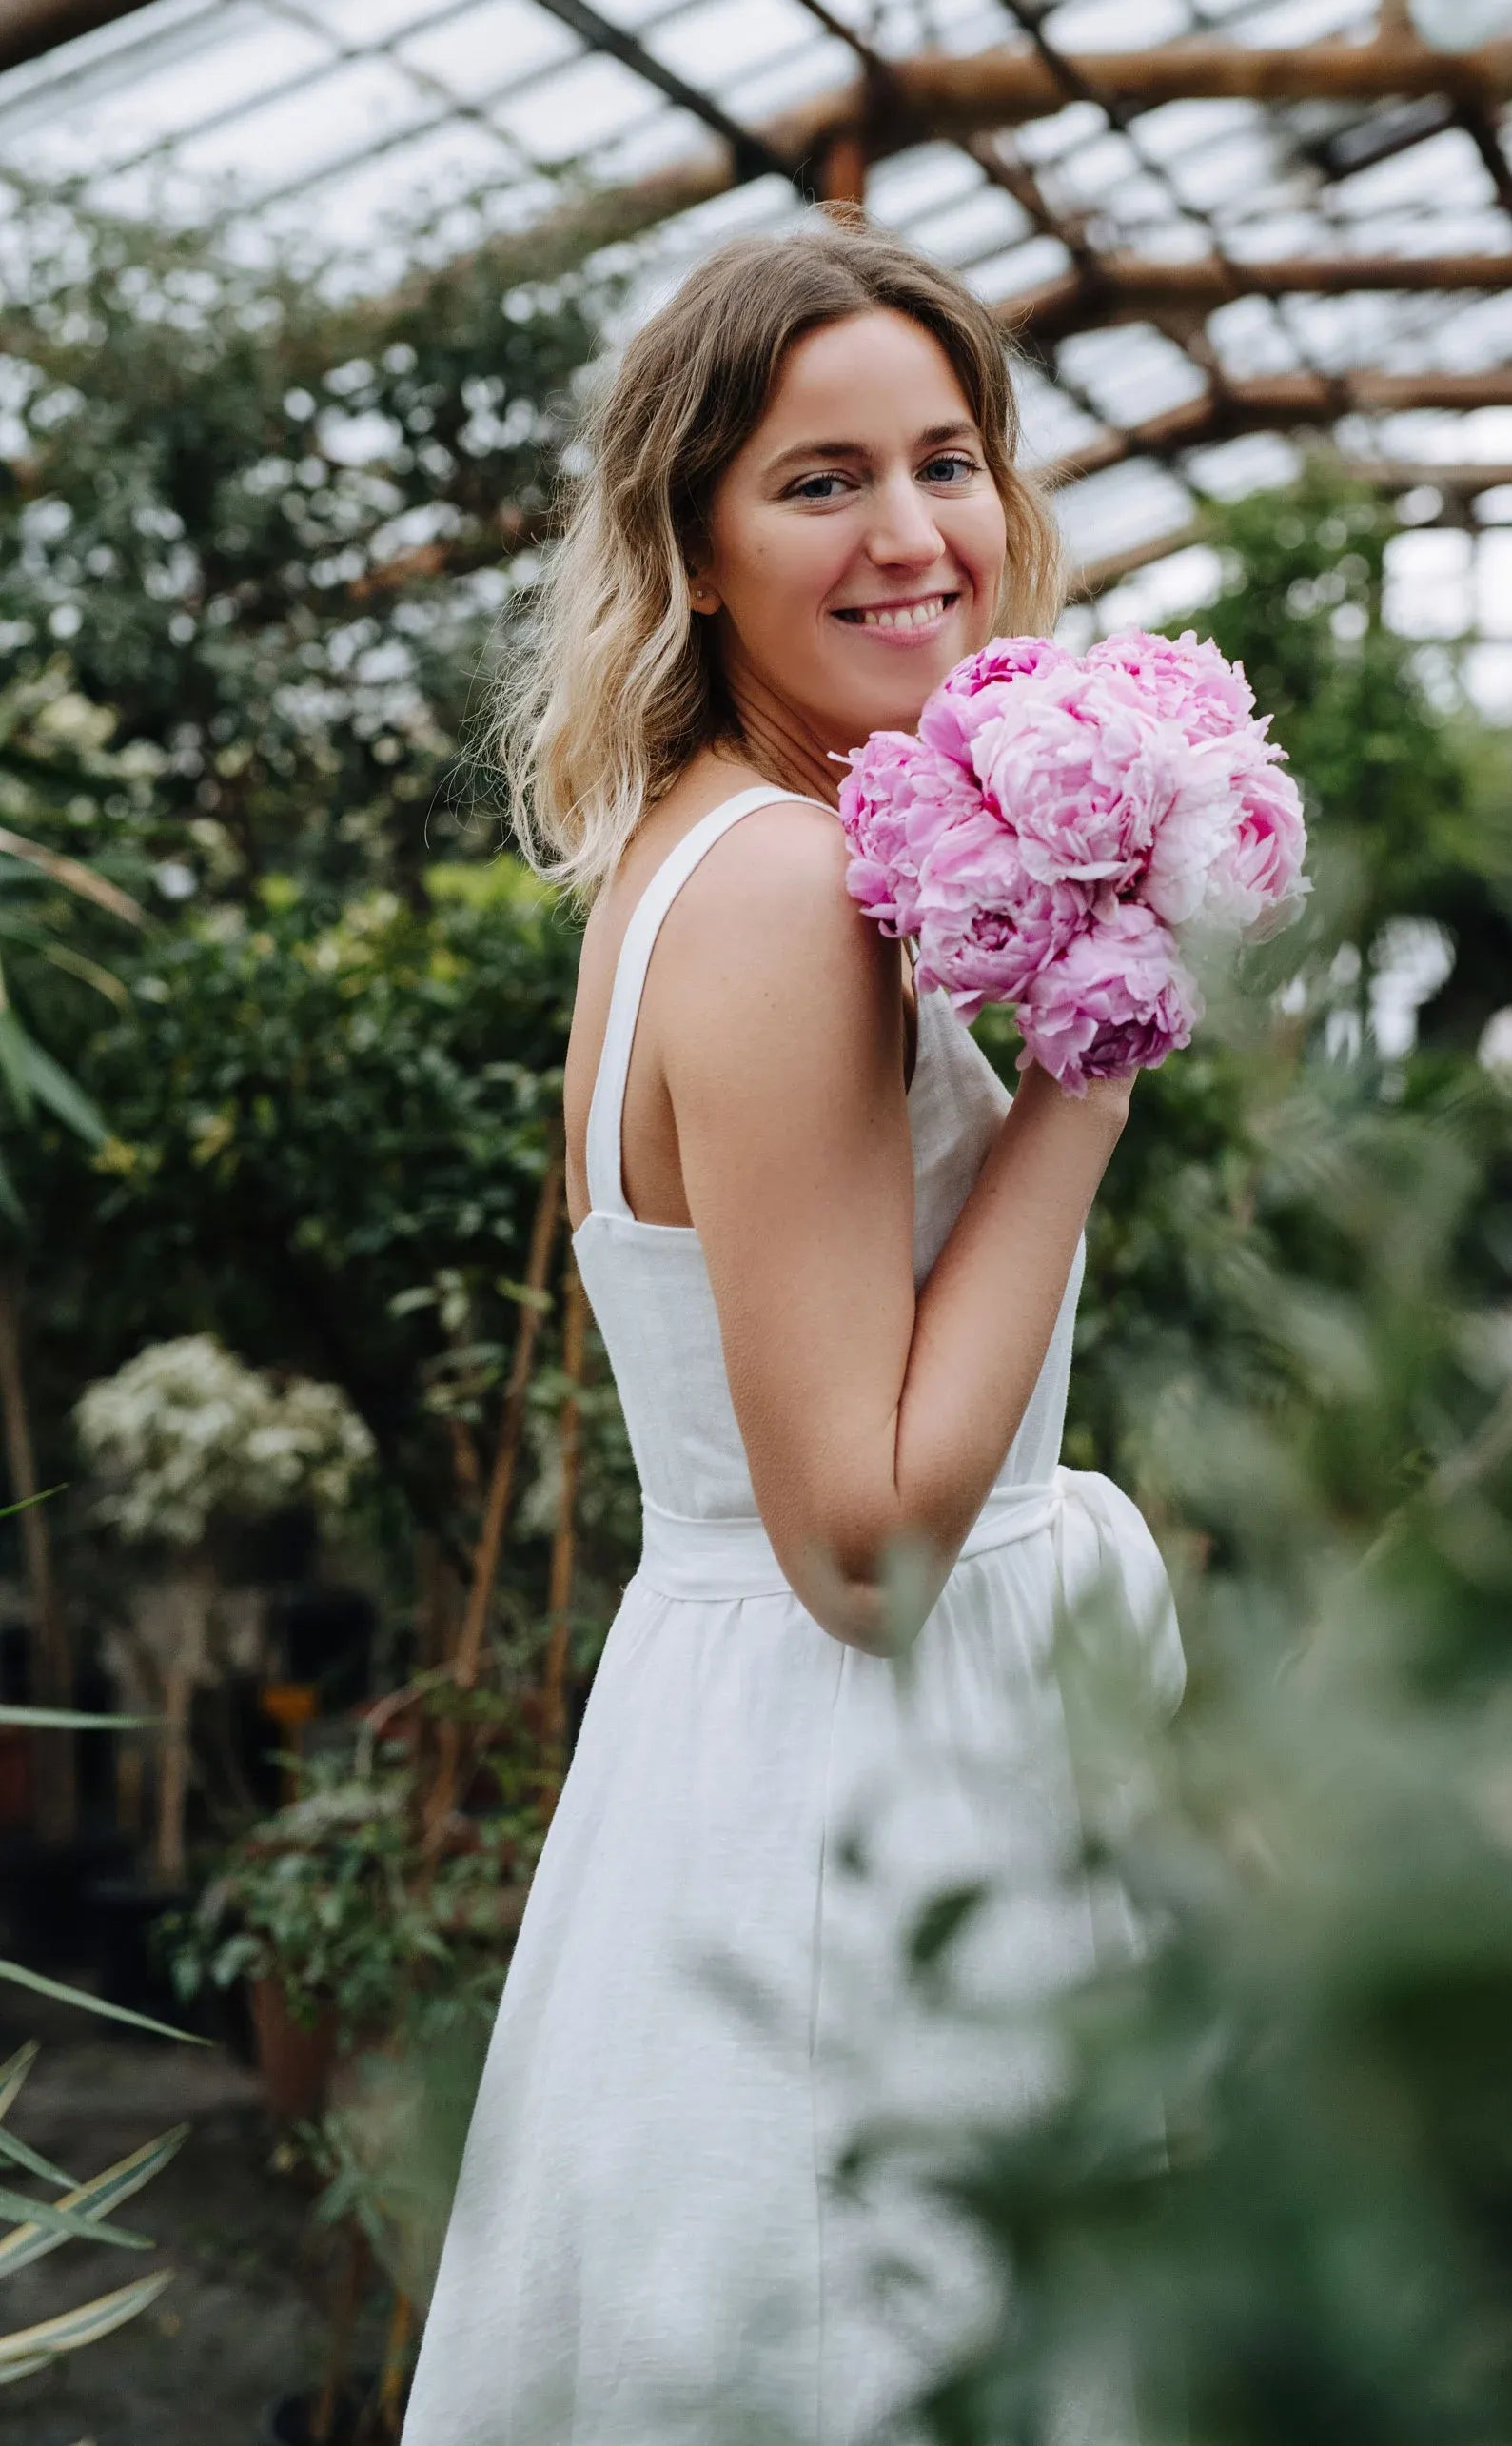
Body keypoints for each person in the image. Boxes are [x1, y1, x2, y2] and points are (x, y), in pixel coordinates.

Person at [403, 221, 1183, 2446]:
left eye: (947, 460)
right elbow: (863, 1546)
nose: (914, 534)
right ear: (695, 545)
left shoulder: (743, 839)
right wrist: (1097, 1053)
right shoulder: (773, 895)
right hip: (854, 1787)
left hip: (796, 1744)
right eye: (819, 481)